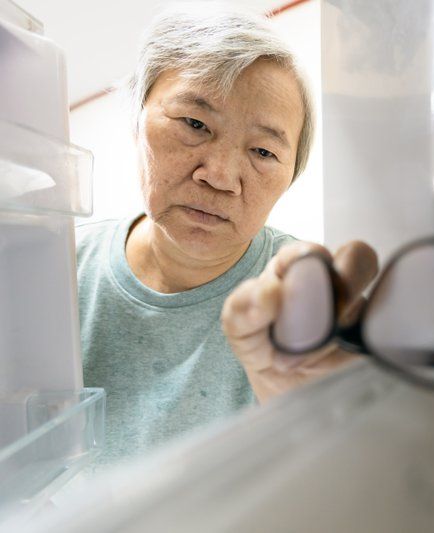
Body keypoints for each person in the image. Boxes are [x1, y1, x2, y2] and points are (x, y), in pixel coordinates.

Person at [76, 3, 377, 467]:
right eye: (195, 124)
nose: (219, 176)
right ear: (136, 121)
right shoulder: (59, 266)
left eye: (262, 151)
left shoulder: (306, 301)